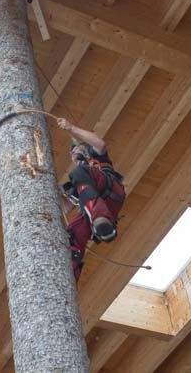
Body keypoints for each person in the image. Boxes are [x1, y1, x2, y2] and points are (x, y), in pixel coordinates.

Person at [57, 118, 125, 281]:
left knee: (80, 172)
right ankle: (68, 277)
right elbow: (66, 207)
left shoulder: (97, 159)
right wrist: (53, 192)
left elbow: (100, 144)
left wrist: (72, 129)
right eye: (73, 154)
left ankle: (101, 219)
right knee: (71, 236)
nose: (75, 155)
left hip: (110, 191)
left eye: (77, 150)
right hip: (94, 209)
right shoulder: (78, 185)